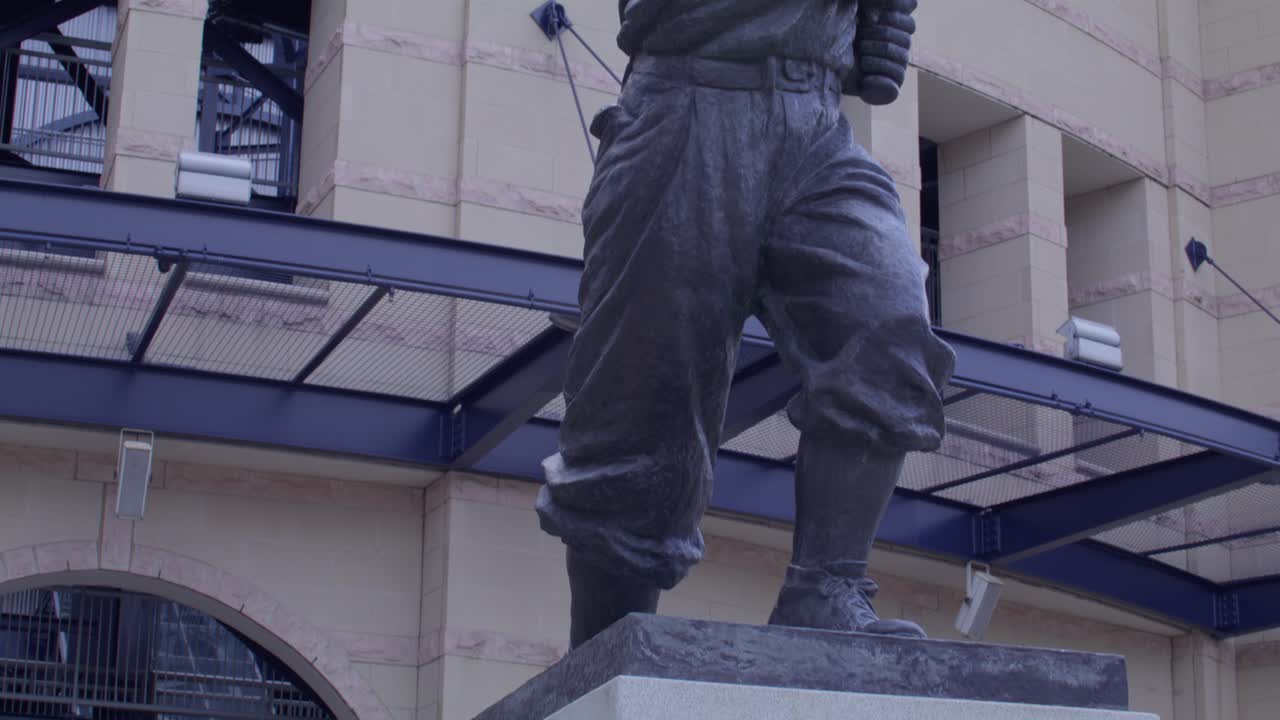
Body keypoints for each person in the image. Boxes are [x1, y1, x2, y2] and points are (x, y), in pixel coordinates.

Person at [536, 0, 955, 648]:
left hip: (817, 124)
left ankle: (824, 589)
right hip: (688, 105)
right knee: (642, 406)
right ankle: (602, 649)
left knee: (887, 323)